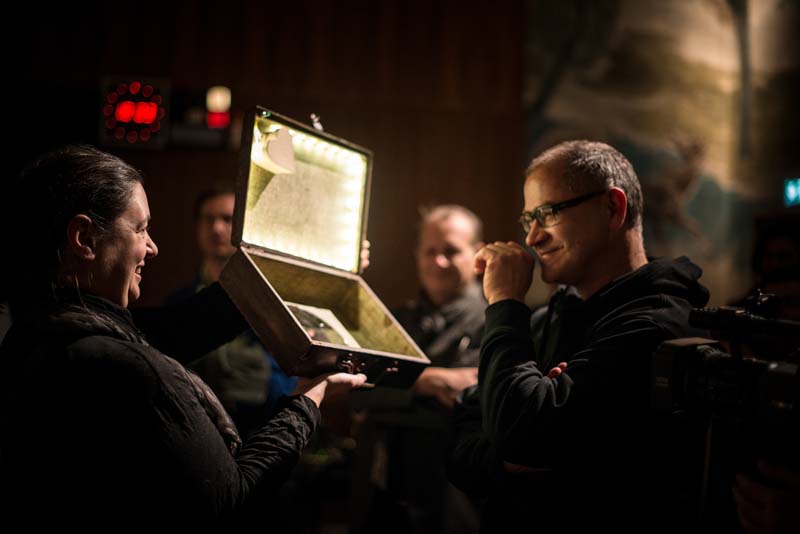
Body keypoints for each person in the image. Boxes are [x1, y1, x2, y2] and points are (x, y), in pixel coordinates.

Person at [0, 145, 366, 526]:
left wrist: (308, 266)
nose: (152, 247)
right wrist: (310, 400)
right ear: (84, 238)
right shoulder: (126, 365)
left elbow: (180, 328)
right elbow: (234, 500)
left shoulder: (36, 332)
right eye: (140, 228)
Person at [447, 140, 711, 531]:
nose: (532, 237)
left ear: (613, 208)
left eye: (547, 214)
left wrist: (504, 301)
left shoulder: (657, 327)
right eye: (528, 219)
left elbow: (520, 435)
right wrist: (503, 457)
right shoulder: (549, 317)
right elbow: (459, 431)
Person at [354, 205, 484, 534]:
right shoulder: (394, 320)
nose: (439, 261)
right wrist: (429, 382)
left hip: (456, 499)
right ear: (417, 255)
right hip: (386, 493)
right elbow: (357, 391)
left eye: (451, 251)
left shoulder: (496, 321)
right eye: (430, 251)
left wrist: (390, 386)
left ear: (477, 254)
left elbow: (475, 400)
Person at [168, 184, 298, 438]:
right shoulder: (178, 302)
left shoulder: (272, 301)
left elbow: (292, 367)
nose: (217, 228)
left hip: (262, 430)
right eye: (209, 219)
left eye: (227, 219)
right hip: (198, 432)